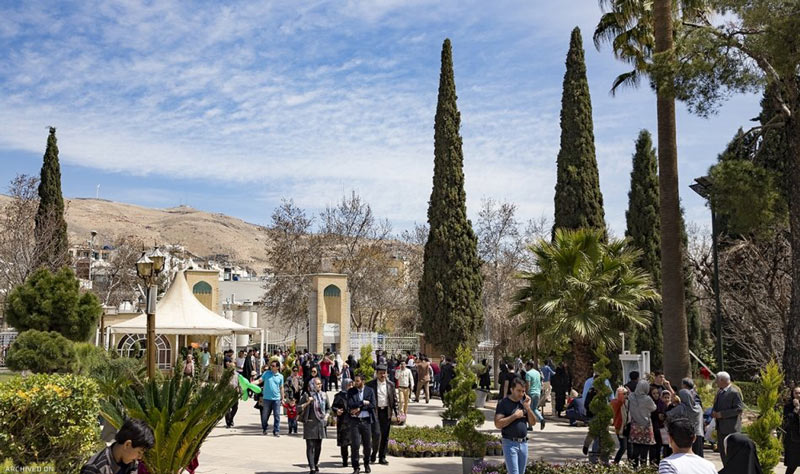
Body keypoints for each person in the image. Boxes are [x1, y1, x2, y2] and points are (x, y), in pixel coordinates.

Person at [494, 377, 538, 474]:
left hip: (523, 444)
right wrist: (514, 416)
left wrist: (528, 408)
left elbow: (533, 422)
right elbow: (498, 423)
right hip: (510, 443)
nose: (521, 394)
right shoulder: (503, 403)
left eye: (523, 391)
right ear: (511, 389)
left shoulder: (523, 403)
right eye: (518, 391)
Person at [80, 418, 154, 474]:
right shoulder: (95, 468)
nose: (140, 457)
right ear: (127, 444)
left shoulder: (131, 462)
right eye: (139, 452)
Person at [367, 365, 397, 466]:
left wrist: (397, 413)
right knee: (376, 435)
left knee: (385, 436)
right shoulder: (370, 385)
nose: (382, 375)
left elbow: (394, 400)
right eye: (380, 373)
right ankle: (374, 453)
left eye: (384, 373)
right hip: (375, 413)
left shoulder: (391, 385)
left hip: (386, 412)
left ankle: (382, 457)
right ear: (377, 373)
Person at [712, 371, 744, 465]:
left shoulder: (734, 392)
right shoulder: (720, 392)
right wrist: (714, 411)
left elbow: (739, 409)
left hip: (730, 429)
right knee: (723, 453)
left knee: (731, 454)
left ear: (722, 380)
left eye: (717, 380)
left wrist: (722, 414)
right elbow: (716, 405)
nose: (716, 383)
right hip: (721, 428)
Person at [347, 374, 377, 474]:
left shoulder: (369, 390)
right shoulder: (351, 391)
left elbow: (373, 405)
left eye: (358, 381)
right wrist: (363, 402)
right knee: (355, 445)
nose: (356, 383)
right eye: (355, 381)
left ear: (363, 381)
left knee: (367, 445)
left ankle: (366, 463)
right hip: (355, 421)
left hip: (366, 421)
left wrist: (360, 408)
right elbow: (350, 404)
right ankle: (356, 467)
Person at [300, 377, 328, 474]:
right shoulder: (307, 395)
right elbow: (298, 408)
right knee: (310, 446)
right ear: (312, 385)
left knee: (318, 446)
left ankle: (315, 463)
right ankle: (311, 466)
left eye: (320, 383)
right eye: (317, 384)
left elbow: (328, 408)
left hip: (320, 423)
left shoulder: (324, 395)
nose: (319, 385)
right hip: (310, 423)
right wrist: (308, 402)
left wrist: (327, 416)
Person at [628, 380, 657, 468]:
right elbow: (654, 408)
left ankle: (634, 467)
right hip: (646, 425)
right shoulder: (647, 399)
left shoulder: (631, 396)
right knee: (645, 449)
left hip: (635, 425)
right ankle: (644, 468)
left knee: (636, 448)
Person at [667, 389, 705, 457]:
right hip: (699, 434)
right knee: (698, 457)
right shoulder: (698, 407)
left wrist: (671, 404)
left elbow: (668, 414)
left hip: (686, 436)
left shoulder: (681, 408)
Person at [259, 360, 285, 436]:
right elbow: (260, 380)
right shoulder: (266, 373)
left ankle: (276, 431)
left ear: (277, 367)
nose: (272, 367)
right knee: (264, 415)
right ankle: (264, 428)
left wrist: (282, 398)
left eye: (273, 366)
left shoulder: (281, 376)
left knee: (277, 416)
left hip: (276, 399)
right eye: (271, 365)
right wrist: (250, 384)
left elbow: (281, 387)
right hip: (266, 398)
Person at [333, 379, 354, 468]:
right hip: (343, 422)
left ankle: (354, 460)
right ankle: (344, 460)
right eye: (349, 385)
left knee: (354, 443)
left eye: (352, 385)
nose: (351, 386)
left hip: (353, 421)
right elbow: (333, 407)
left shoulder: (354, 394)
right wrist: (336, 410)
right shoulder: (339, 396)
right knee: (344, 444)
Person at [524, 361, 546, 430]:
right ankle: (541, 419)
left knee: (528, 409)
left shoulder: (528, 373)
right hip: (537, 393)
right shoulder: (537, 373)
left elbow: (528, 384)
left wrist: (526, 394)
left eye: (526, 366)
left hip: (531, 393)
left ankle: (530, 426)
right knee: (534, 408)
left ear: (529, 366)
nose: (525, 367)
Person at [783, 385, 800, 474]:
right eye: (796, 393)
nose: (798, 395)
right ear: (793, 394)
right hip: (794, 439)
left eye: (799, 393)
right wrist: (796, 409)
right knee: (792, 465)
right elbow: (787, 420)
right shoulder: (788, 406)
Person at [610, 386, 629, 464]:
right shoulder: (615, 402)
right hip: (619, 426)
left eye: (626, 394)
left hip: (626, 426)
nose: (626, 395)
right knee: (623, 446)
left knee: (628, 446)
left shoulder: (625, 402)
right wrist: (622, 392)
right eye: (624, 394)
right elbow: (620, 401)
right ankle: (616, 461)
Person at [225, 361, 240, 428]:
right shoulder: (225, 374)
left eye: (233, 367)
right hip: (227, 392)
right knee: (227, 408)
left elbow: (240, 383)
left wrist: (240, 391)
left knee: (235, 407)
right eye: (231, 367)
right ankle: (228, 422)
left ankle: (231, 418)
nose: (232, 368)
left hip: (235, 392)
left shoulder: (237, 375)